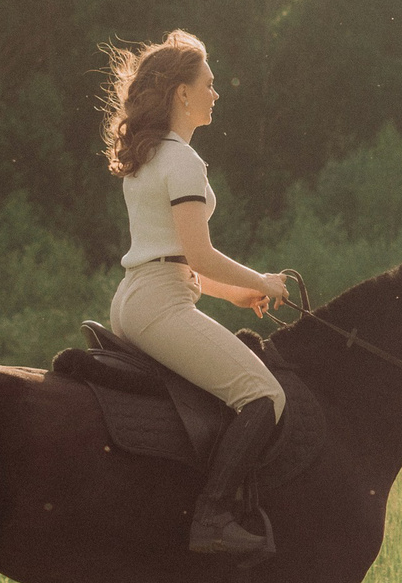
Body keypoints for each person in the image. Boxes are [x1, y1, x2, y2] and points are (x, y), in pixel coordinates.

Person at [100, 30, 291, 554]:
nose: (216, 93)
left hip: (137, 297)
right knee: (264, 395)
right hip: (160, 303)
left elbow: (173, 254)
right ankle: (211, 517)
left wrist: (231, 297)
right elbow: (199, 254)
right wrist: (263, 282)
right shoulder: (183, 160)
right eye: (209, 84)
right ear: (182, 93)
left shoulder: (150, 156)